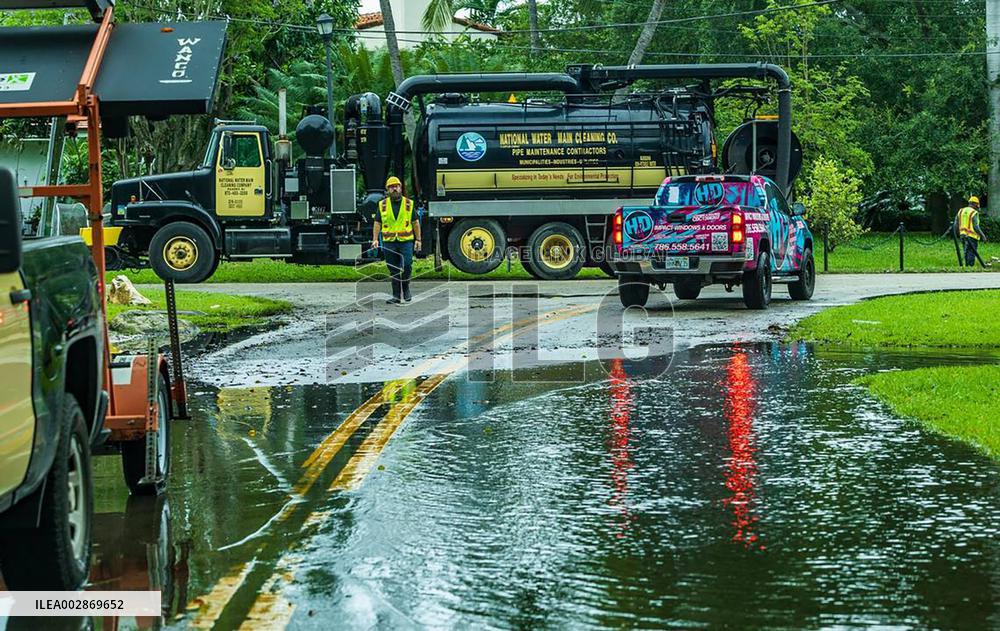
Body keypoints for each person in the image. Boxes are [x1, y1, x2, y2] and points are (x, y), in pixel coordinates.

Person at [372, 176, 421, 304]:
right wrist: (375, 239)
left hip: (406, 241)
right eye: (391, 187)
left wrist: (418, 240)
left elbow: (415, 223)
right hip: (389, 242)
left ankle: (405, 288)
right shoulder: (382, 205)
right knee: (393, 268)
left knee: (407, 265)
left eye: (396, 186)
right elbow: (377, 223)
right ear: (387, 190)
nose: (394, 189)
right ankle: (396, 296)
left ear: (400, 188)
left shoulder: (409, 204)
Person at [954, 196, 987, 267]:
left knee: (966, 252)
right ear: (975, 204)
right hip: (972, 236)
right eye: (977, 205)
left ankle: (966, 267)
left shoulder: (961, 211)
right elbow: (976, 226)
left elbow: (956, 224)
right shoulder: (973, 212)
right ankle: (970, 267)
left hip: (962, 235)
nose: (978, 207)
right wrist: (983, 236)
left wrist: (957, 234)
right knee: (971, 252)